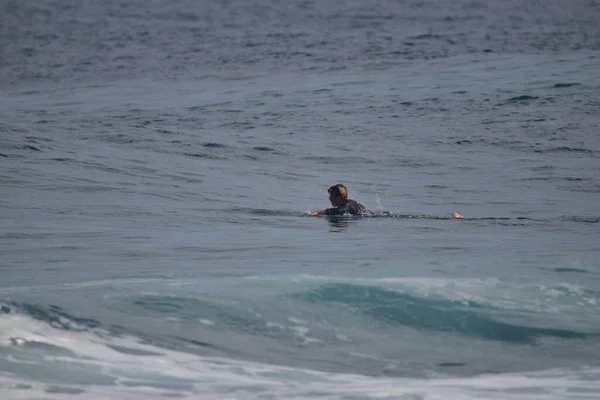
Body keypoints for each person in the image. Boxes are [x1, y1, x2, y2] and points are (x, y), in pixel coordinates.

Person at [308, 183, 465, 218]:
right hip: (378, 214)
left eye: (331, 195)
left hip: (380, 216)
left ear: (339, 197)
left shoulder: (347, 205)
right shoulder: (349, 203)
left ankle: (450, 217)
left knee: (419, 217)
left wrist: (318, 212)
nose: (329, 198)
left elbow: (341, 212)